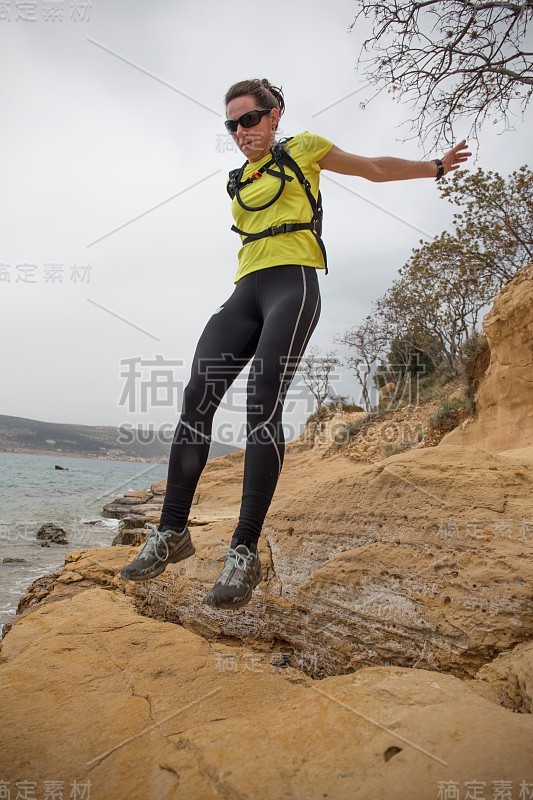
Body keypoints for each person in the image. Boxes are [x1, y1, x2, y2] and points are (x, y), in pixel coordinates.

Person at [120, 78, 471, 609]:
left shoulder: (303, 148)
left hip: (294, 285)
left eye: (250, 119)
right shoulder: (238, 178)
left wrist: (435, 167)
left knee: (263, 400)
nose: (242, 131)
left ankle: (243, 550)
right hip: (245, 291)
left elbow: (373, 169)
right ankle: (171, 532)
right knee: (196, 398)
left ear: (274, 114)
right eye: (232, 124)